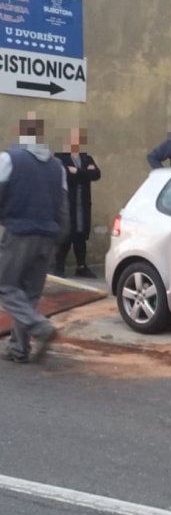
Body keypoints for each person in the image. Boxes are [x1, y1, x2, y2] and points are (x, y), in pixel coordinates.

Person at [0, 114, 68, 363]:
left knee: (5, 286)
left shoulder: (9, 158)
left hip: (19, 234)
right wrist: (58, 238)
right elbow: (63, 207)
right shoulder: (57, 166)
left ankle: (40, 327)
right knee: (28, 295)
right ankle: (19, 349)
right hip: (47, 237)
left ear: (20, 133)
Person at [54, 127, 101, 278]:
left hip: (83, 203)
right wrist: (85, 174)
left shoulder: (86, 157)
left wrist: (79, 172)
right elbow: (66, 176)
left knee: (81, 234)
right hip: (69, 203)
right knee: (67, 234)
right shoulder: (60, 157)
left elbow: (96, 174)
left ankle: (81, 266)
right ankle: (59, 266)